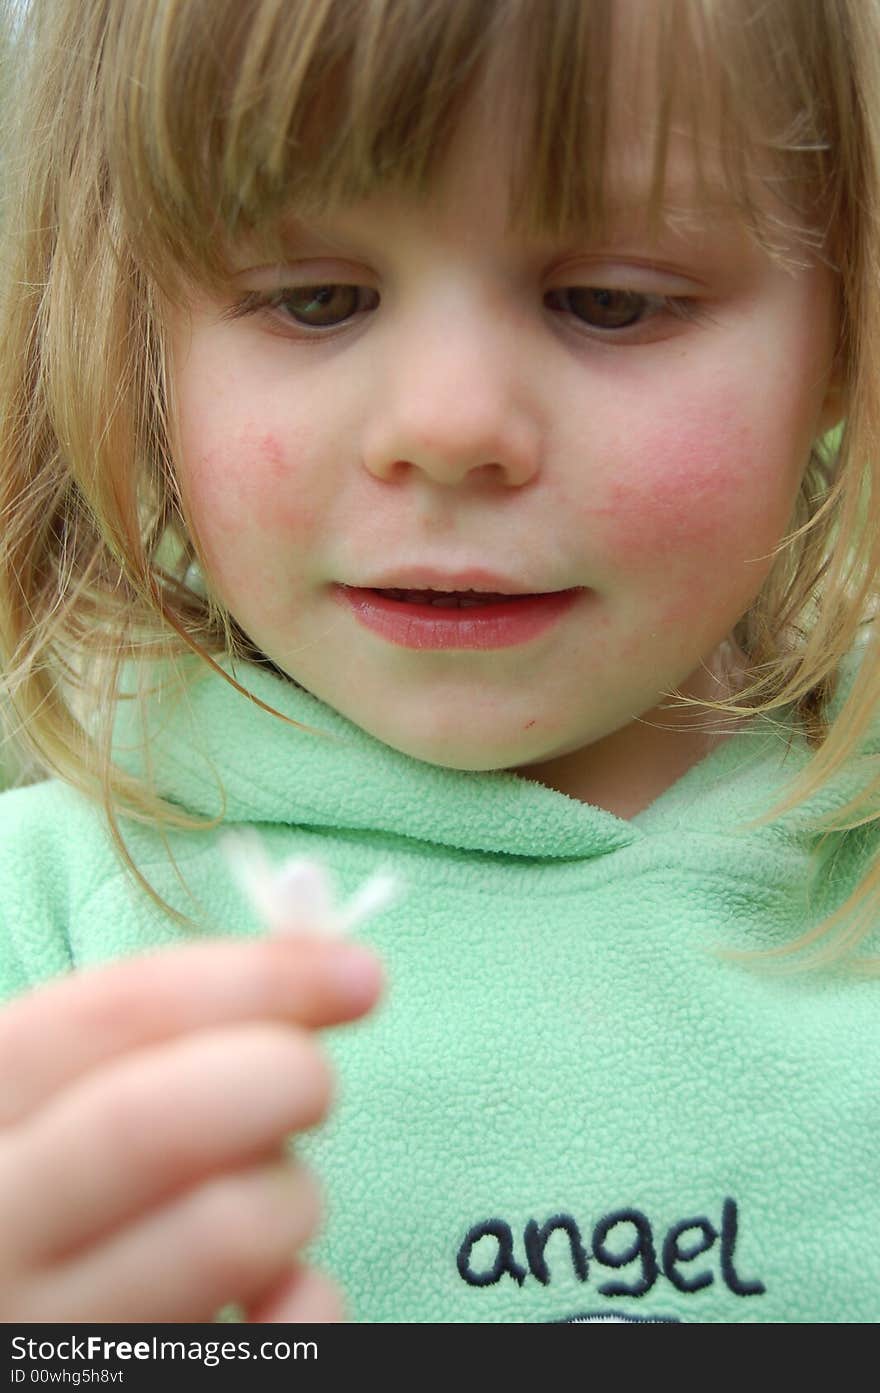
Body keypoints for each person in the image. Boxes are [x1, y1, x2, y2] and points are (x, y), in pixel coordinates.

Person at [0, 0, 878, 1324]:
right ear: (135, 335)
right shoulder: (44, 940)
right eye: (316, 298)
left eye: (611, 301)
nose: (449, 425)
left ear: (845, 330)